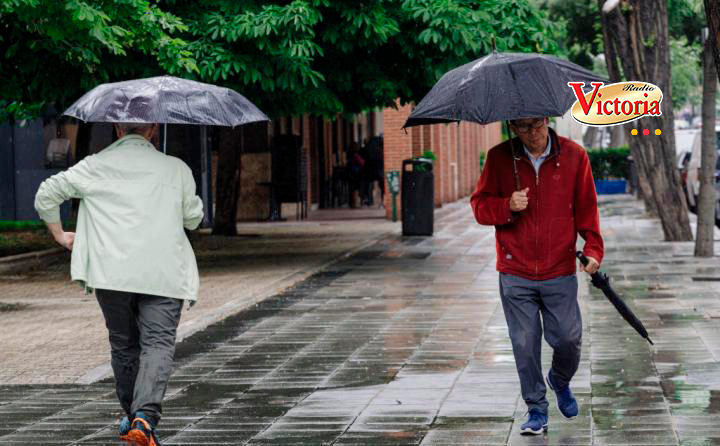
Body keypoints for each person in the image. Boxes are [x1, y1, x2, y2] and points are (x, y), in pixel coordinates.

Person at [34, 123, 203, 446]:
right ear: (153, 129)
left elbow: (46, 194)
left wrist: (59, 235)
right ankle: (145, 417)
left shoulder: (94, 166)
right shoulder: (176, 168)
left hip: (112, 273)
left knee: (124, 343)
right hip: (163, 272)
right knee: (158, 343)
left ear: (116, 128)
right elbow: (192, 219)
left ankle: (134, 416)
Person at [469, 117, 603, 435]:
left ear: (547, 119)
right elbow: (479, 206)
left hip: (559, 269)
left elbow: (587, 207)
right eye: (524, 127)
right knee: (524, 343)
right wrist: (506, 205)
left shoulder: (574, 156)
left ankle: (559, 379)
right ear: (513, 127)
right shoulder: (499, 157)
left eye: (538, 124)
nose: (534, 133)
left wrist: (594, 249)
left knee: (568, 339)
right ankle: (536, 410)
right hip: (515, 271)